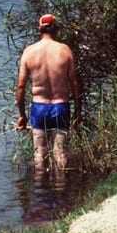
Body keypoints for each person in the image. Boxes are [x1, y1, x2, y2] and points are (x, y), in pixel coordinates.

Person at [15, 14, 81, 171]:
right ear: (56, 29)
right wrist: (78, 112)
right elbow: (74, 84)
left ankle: (40, 192)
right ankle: (61, 191)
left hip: (39, 107)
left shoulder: (29, 51)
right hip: (60, 106)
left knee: (39, 154)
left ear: (39, 28)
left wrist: (22, 115)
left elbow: (20, 87)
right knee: (60, 152)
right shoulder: (65, 50)